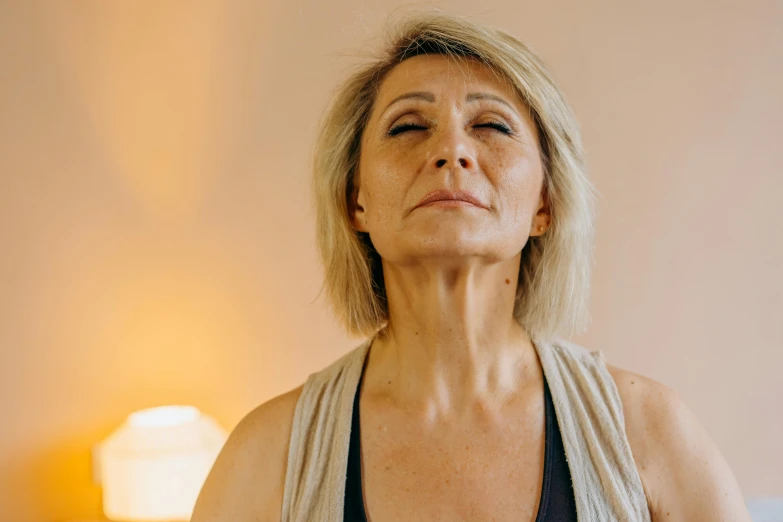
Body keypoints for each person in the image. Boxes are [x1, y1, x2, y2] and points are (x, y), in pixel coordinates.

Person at [192, 11, 751, 522]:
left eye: (492, 126)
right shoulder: (264, 457)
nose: (452, 151)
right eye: (408, 126)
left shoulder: (650, 432)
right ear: (355, 200)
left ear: (545, 203)